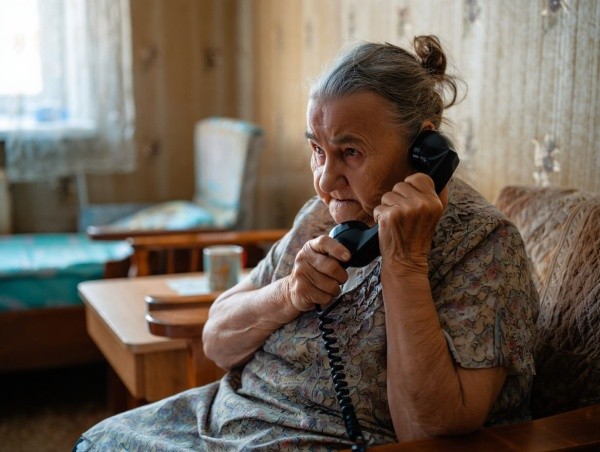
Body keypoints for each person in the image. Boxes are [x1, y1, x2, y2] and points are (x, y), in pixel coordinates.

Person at [74, 35, 538, 451]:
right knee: (98, 441)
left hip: (317, 440)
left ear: (424, 151)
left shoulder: (484, 245)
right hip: (222, 419)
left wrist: (406, 264)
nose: (325, 180)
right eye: (317, 150)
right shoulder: (324, 213)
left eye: (350, 152)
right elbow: (217, 342)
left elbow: (425, 432)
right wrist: (290, 293)